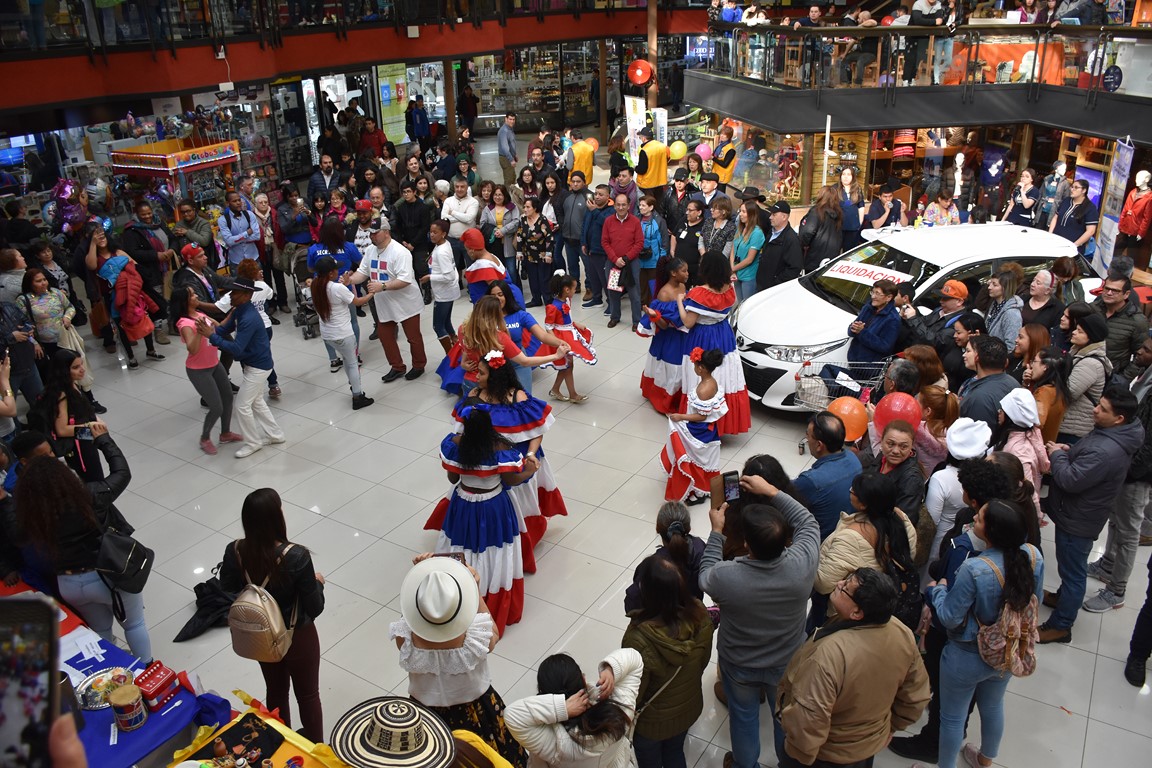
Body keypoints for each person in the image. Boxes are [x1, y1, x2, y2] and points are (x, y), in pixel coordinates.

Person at [700, 474, 819, 768]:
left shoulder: (728, 577)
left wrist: (717, 532)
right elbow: (808, 522)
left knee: (743, 718)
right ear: (785, 541)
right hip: (785, 662)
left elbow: (705, 575)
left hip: (740, 663)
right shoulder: (802, 564)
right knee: (782, 717)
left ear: (746, 544)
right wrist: (773, 492)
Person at [925, 499, 1043, 768]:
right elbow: (1031, 598)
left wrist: (938, 590)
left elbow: (949, 617)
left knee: (952, 718)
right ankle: (985, 759)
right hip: (1009, 648)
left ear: (990, 533)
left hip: (967, 654)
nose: (972, 521)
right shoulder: (1034, 556)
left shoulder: (975, 569)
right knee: (992, 705)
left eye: (978, 519)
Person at [14, 430, 151, 660]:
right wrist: (104, 440)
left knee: (101, 631)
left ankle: (118, 675)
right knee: (134, 624)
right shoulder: (88, 496)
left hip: (68, 584)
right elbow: (121, 473)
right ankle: (149, 675)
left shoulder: (27, 511)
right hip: (105, 575)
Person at [778, 567, 930, 768]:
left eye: (846, 588)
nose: (839, 584)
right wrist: (889, 728)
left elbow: (809, 719)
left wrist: (798, 754)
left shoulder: (829, 655)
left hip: (826, 754)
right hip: (865, 748)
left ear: (858, 612)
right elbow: (916, 696)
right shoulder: (900, 631)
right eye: (846, 579)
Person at [391, 555, 528, 768]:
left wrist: (421, 586)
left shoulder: (406, 634)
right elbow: (494, 635)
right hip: (475, 712)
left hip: (424, 715)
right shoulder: (474, 634)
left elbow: (410, 618)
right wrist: (474, 591)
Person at [219, 488, 325, 742]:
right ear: (276, 518)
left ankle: (282, 744)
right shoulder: (296, 555)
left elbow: (227, 588)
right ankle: (316, 751)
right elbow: (315, 607)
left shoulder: (235, 551)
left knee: (276, 692)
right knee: (308, 695)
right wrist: (317, 582)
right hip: (298, 635)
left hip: (262, 636)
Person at [1041, 386, 1144, 644]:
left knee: (1073, 572)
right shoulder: (1115, 435)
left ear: (1119, 418)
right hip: (1084, 512)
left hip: (1078, 520)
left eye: (1102, 409)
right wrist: (1071, 451)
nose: (1095, 410)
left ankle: (1061, 626)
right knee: (1070, 569)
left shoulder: (1107, 450)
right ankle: (1063, 598)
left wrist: (1057, 456)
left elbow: (1070, 480)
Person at [428, 406, 539, 635]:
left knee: (461, 547)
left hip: (463, 505)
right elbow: (512, 479)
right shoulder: (500, 448)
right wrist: (530, 470)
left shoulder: (455, 445)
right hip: (493, 508)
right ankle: (489, 600)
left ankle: (457, 597)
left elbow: (452, 477)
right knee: (494, 552)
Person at [620, 556, 714, 768]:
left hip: (651, 725)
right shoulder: (701, 615)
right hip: (687, 708)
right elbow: (702, 662)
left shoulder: (639, 638)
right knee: (674, 753)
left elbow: (634, 691)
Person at [1083, 338, 1152, 612]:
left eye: (1146, 350)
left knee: (1128, 530)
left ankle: (1117, 590)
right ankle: (1107, 564)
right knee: (1116, 519)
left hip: (1139, 472)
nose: (1139, 351)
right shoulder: (1143, 372)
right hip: (1128, 461)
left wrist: (1131, 469)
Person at [505, 647, 642, 768]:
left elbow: (512, 715)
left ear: (544, 696)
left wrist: (562, 708)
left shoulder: (554, 743)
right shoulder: (621, 709)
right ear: (583, 679)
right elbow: (634, 658)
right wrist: (611, 670)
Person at [197, 277, 284, 458]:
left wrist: (211, 337)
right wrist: (211, 331)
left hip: (258, 367)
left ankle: (253, 443)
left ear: (247, 295)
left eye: (234, 293)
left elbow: (236, 348)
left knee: (243, 406)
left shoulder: (249, 318)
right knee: (257, 402)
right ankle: (276, 435)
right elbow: (223, 330)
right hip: (256, 364)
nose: (230, 296)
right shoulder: (240, 310)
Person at [814, 468, 918, 613]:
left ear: (863, 504)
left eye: (853, 490)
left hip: (845, 611)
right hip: (881, 605)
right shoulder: (903, 521)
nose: (850, 491)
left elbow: (822, 583)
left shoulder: (851, 538)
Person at [674, 251, 752, 436]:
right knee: (726, 375)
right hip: (723, 335)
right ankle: (724, 423)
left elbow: (688, 322)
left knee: (700, 375)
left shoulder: (698, 294)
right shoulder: (730, 289)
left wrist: (679, 301)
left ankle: (698, 419)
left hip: (702, 337)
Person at [347, 218, 427, 383]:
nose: (372, 237)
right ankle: (397, 367)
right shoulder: (370, 251)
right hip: (385, 303)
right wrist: (350, 280)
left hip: (406, 302)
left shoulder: (400, 252)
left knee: (413, 337)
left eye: (375, 233)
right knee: (385, 335)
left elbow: (405, 280)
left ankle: (419, 365)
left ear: (386, 232)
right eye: (370, 233)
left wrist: (382, 286)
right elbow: (363, 272)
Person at [173, 286, 242, 455]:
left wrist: (234, 312)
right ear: (185, 301)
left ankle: (225, 433)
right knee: (216, 407)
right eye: (192, 294)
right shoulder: (185, 323)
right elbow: (193, 349)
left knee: (227, 398)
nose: (196, 296)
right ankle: (205, 438)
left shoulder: (200, 314)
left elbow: (220, 327)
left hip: (214, 364)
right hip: (198, 370)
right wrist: (200, 332)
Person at [662, 347, 727, 505]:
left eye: (695, 365)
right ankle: (703, 487)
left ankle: (696, 490)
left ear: (701, 368)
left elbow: (702, 416)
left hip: (698, 430)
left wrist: (680, 416)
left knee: (692, 458)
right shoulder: (712, 382)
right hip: (709, 429)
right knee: (706, 460)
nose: (694, 368)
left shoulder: (703, 390)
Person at [313, 255, 377, 410]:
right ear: (330, 273)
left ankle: (353, 385)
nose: (339, 271)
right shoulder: (337, 288)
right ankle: (357, 396)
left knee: (347, 359)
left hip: (327, 335)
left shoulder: (315, 286)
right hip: (343, 334)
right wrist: (373, 292)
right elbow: (359, 301)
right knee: (353, 363)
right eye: (336, 269)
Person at [624, 502, 707, 613]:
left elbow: (632, 603)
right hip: (693, 616)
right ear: (689, 528)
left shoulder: (652, 566)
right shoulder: (700, 547)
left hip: (665, 625)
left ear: (657, 528)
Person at [793, 411, 863, 540]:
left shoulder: (811, 481)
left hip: (819, 544)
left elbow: (784, 496)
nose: (807, 439)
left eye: (808, 435)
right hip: (846, 534)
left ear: (819, 445)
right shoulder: (853, 458)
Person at [537, 272, 596, 403]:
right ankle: (572, 394)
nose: (576, 291)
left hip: (569, 333)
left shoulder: (566, 300)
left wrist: (576, 324)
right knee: (567, 365)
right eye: (574, 288)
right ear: (566, 289)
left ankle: (556, 390)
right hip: (561, 338)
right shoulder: (553, 307)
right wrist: (557, 342)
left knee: (567, 365)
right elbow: (549, 326)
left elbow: (567, 319)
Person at [1058, 312, 1112, 443]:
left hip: (1073, 428)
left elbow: (1068, 392)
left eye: (1080, 331)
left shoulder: (1090, 364)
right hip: (1067, 423)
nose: (1074, 332)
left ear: (1091, 337)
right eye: (1076, 329)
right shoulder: (1077, 352)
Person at [1092, 272, 1149, 377]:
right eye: (1106, 289)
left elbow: (1142, 356)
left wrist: (1122, 379)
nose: (1109, 293)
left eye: (1115, 291)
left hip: (1111, 375)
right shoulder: (1092, 309)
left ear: (1126, 294)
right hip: (1084, 369)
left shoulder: (1137, 321)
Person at [958, 336, 1018, 432]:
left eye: (968, 351)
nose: (964, 355)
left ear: (977, 357)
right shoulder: (1012, 382)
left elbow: (977, 438)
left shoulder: (979, 398)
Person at [603, 192, 644, 331]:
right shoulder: (608, 221)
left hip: (631, 263)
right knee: (613, 291)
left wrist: (626, 258)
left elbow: (639, 243)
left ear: (629, 206)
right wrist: (615, 259)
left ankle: (637, 320)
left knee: (634, 293)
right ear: (614, 205)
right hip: (613, 263)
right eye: (618, 205)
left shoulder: (635, 221)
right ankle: (615, 317)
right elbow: (605, 242)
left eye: (623, 205)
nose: (620, 207)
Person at [425, 219, 461, 357]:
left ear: (444, 234)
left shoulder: (441, 252)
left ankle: (451, 355)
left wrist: (430, 277)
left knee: (438, 326)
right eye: (430, 231)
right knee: (446, 322)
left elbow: (449, 276)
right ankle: (457, 349)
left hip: (444, 293)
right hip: (447, 291)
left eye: (435, 232)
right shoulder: (443, 244)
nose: (432, 235)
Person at [847, 278, 900, 366]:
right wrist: (853, 328)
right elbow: (852, 329)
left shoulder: (893, 319)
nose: (873, 296)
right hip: (852, 360)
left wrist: (862, 332)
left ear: (889, 297)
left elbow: (885, 346)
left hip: (868, 367)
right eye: (872, 292)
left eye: (878, 294)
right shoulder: (868, 308)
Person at [1024, 345, 1069, 443]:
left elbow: (1037, 422)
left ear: (1045, 366)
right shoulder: (1058, 390)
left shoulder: (1044, 392)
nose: (1031, 366)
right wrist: (1027, 384)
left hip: (1033, 448)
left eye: (1035, 361)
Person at [517, 197, 554, 308]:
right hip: (529, 254)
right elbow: (519, 236)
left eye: (528, 207)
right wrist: (519, 251)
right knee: (532, 278)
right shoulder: (523, 219)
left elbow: (549, 237)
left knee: (544, 278)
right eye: (524, 207)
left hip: (542, 254)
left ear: (535, 208)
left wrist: (548, 254)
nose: (525, 209)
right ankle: (536, 299)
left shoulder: (542, 219)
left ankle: (548, 300)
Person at [1048, 178, 1099, 255]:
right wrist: (1050, 235)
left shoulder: (1090, 208)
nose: (1072, 189)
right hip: (1055, 241)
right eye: (1072, 187)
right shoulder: (1066, 201)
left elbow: (1091, 231)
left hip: (1072, 248)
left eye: (1076, 187)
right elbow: (1055, 217)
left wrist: (1074, 245)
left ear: (1084, 190)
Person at [798, 185, 842, 272]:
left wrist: (802, 245)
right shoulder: (838, 213)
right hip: (831, 257)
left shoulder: (816, 211)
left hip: (814, 256)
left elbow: (807, 232)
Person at [730, 201, 765, 303]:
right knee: (739, 304)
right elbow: (733, 249)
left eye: (744, 212)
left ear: (751, 214)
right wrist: (733, 268)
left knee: (746, 303)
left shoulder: (757, 233)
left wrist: (733, 268)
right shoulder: (740, 229)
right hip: (737, 273)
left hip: (748, 276)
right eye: (740, 211)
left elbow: (750, 259)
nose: (740, 214)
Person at [984, 269, 1023, 348]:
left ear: (1005, 288)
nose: (989, 287)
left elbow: (1011, 345)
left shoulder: (1012, 314)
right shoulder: (994, 305)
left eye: (994, 285)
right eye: (990, 283)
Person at [1020, 269, 1064, 335]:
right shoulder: (1022, 300)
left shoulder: (1057, 309)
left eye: (1038, 283)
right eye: (1033, 280)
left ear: (1047, 290)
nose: (1032, 284)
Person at [497, 113, 519, 188]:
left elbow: (511, 143)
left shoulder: (510, 129)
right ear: (506, 119)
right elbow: (505, 147)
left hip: (510, 157)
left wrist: (515, 154)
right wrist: (511, 159)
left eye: (513, 119)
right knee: (509, 180)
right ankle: (508, 197)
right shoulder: (504, 131)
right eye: (510, 119)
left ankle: (512, 197)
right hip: (506, 158)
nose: (512, 121)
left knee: (512, 177)